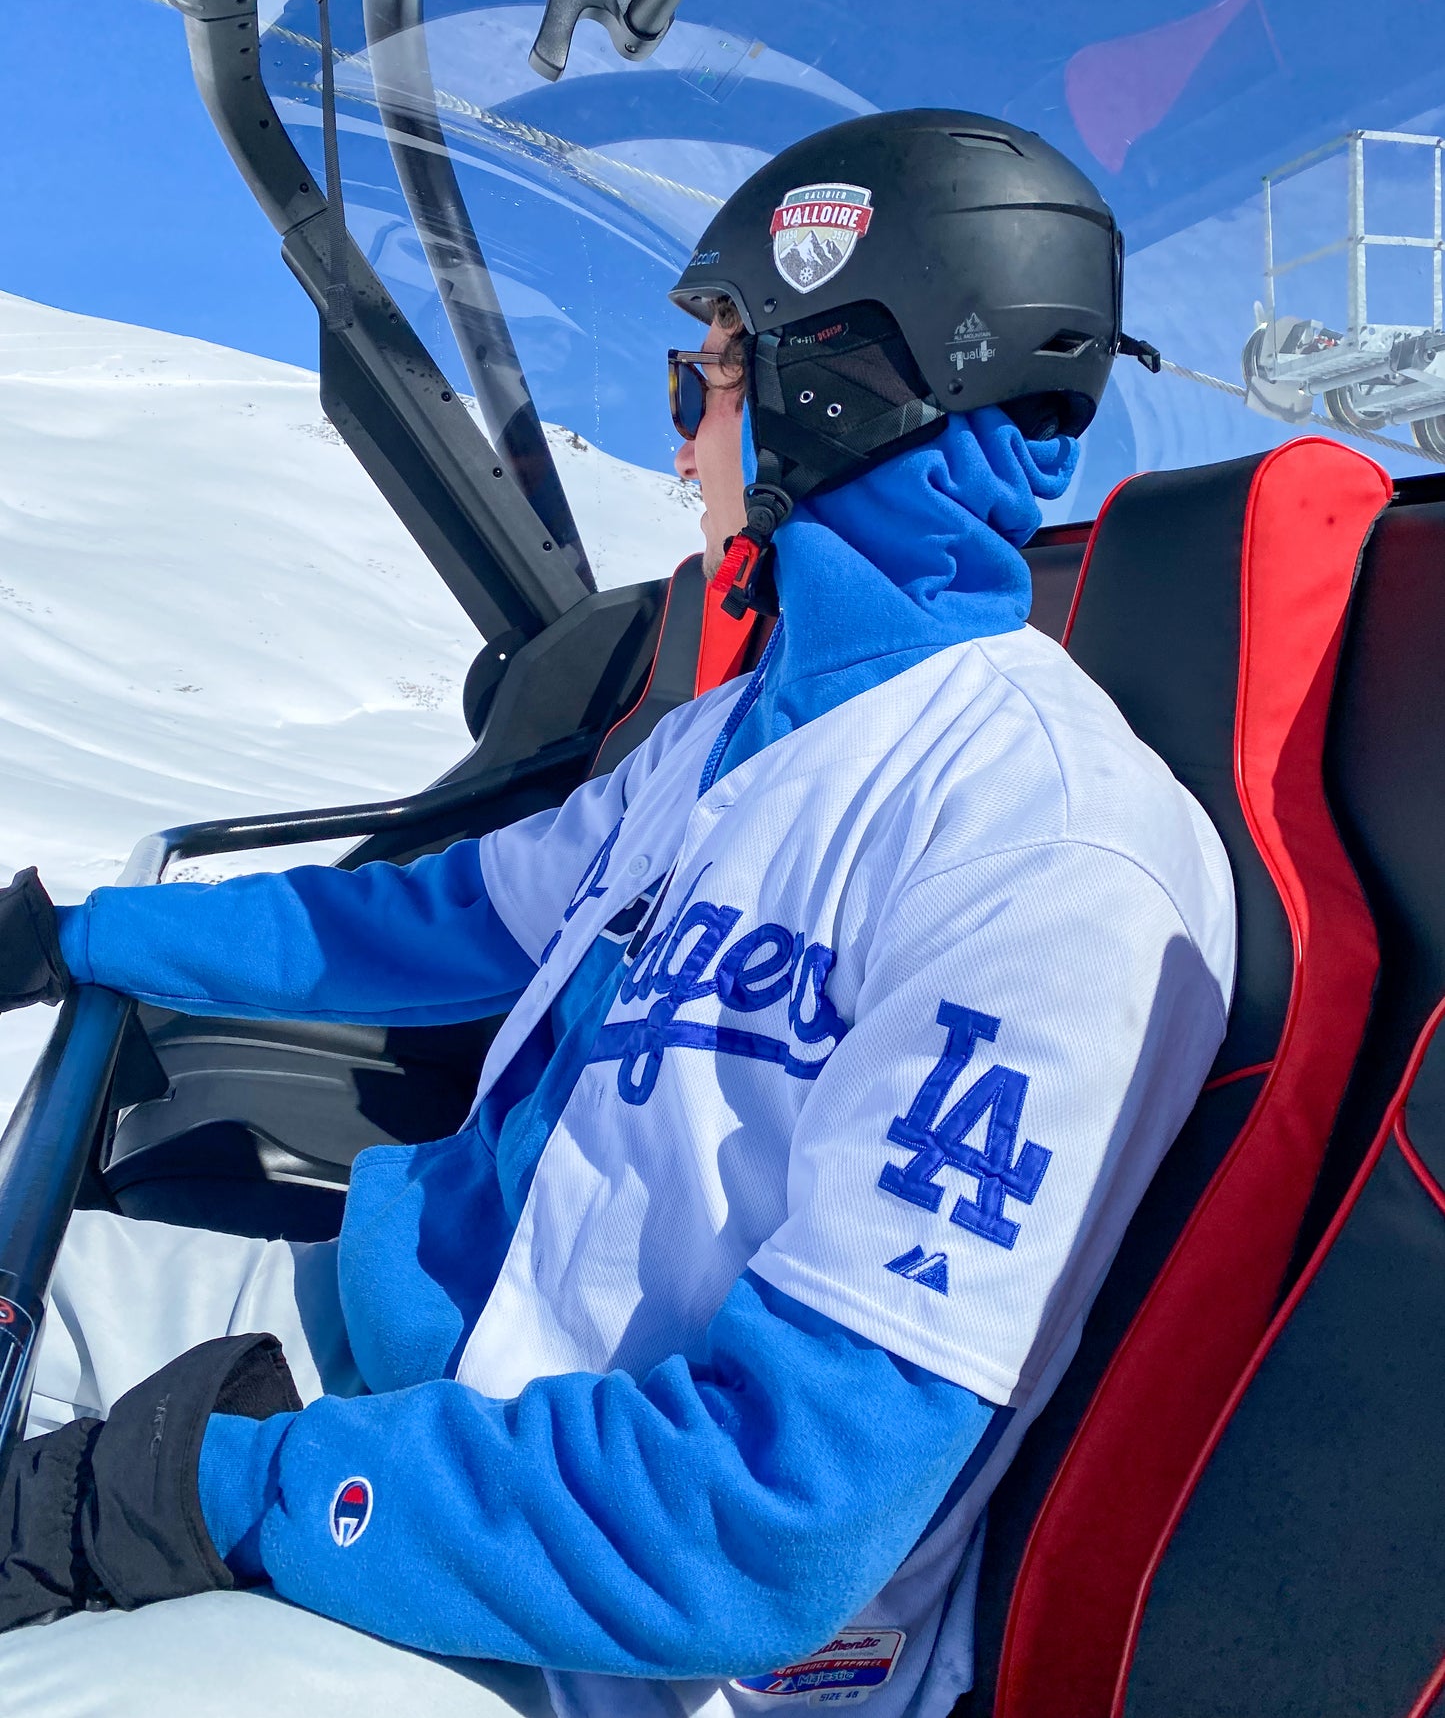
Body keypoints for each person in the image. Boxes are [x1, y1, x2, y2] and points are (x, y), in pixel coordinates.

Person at [0, 110, 1234, 1718]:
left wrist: (205, 1493)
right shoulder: (723, 744)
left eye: (698, 381)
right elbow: (437, 920)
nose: (672, 445)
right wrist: (75, 937)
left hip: (600, 1628)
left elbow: (756, 1525)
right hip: (420, 1359)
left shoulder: (1049, 852)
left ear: (831, 384)